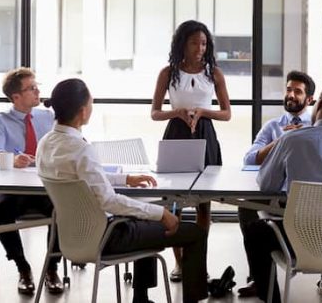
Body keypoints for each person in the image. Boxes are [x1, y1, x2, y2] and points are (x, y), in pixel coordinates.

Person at [37, 78, 208, 303]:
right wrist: (161, 213)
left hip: (72, 239)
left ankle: (141, 298)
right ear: (82, 111)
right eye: (91, 103)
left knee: (144, 219)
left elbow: (83, 178)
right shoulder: (80, 148)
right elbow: (109, 201)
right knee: (193, 232)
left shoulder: (46, 143)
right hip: (107, 236)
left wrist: (126, 178)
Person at [243, 83, 322, 303]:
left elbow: (267, 185)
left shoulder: (292, 140)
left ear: (319, 103)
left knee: (255, 232)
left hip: (300, 237)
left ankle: (273, 300)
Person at [238, 71, 322, 301]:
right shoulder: (273, 126)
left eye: (298, 91)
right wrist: (282, 142)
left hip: (313, 198)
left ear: (310, 99)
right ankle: (259, 275)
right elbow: (250, 158)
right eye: (288, 89)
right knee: (246, 208)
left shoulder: (319, 128)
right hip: (278, 195)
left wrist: (302, 138)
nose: (291, 95)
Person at [150, 20, 231, 282]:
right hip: (177, 134)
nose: (200, 48)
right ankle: (180, 263)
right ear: (182, 44)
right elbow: (154, 113)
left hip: (205, 135)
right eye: (195, 42)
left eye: (204, 43)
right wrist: (178, 112)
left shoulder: (214, 73)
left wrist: (203, 111)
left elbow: (227, 114)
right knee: (174, 204)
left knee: (203, 205)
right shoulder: (168, 73)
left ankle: (198, 264)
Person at [0, 67, 63, 296]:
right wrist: (10, 158)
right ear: (16, 97)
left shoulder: (47, 117)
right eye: (31, 88)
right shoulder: (0, 121)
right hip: (15, 189)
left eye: (37, 85)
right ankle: (23, 269)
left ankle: (52, 267)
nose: (38, 90)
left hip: (47, 186)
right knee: (0, 213)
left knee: (65, 209)